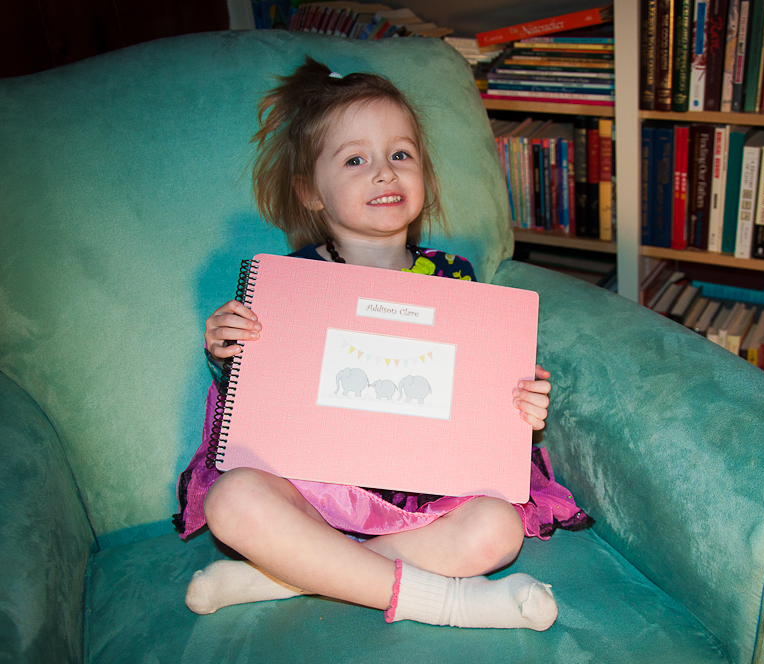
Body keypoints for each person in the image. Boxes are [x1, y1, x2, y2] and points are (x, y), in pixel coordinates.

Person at [173, 57, 591, 631]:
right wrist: (231, 354)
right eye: (354, 160)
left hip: (422, 500)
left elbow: (477, 403)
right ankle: (452, 603)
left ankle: (284, 577)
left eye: (401, 154)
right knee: (232, 502)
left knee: (500, 528)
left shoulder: (457, 280)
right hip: (311, 492)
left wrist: (518, 407)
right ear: (312, 193)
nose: (384, 173)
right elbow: (264, 409)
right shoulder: (288, 285)